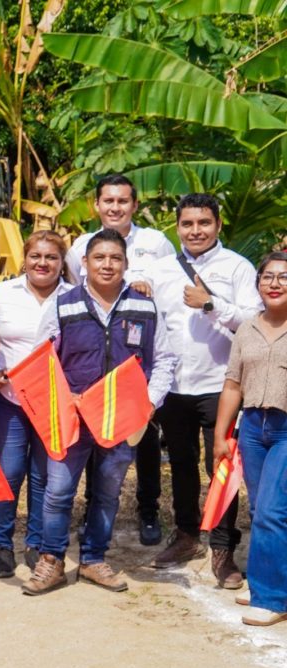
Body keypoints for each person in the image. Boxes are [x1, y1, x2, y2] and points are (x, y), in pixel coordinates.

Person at [22, 229, 177, 596]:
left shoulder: (144, 306)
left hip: (121, 419)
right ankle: (52, 560)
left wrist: (147, 404)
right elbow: (42, 361)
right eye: (100, 258)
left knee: (107, 493)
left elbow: (165, 360)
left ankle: (92, 559)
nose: (107, 264)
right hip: (72, 417)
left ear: (125, 264)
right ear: (85, 263)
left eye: (115, 258)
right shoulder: (63, 305)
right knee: (58, 492)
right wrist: (61, 402)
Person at [143, 194, 260, 587]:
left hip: (221, 385)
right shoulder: (160, 270)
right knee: (180, 464)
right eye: (188, 224)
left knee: (222, 469)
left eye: (204, 223)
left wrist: (211, 303)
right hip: (174, 386)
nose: (196, 231)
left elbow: (252, 321)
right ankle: (188, 534)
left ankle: (223, 548)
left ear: (218, 225)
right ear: (177, 227)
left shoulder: (238, 268)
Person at [64, 175, 176, 546]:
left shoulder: (156, 243)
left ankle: (147, 511)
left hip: (137, 360)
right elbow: (74, 293)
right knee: (95, 445)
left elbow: (170, 289)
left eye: (123, 201)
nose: (115, 207)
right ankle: (90, 509)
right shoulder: (81, 244)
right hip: (93, 365)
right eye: (108, 201)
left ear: (135, 205)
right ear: (96, 205)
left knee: (143, 442)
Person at [0, 231, 72, 578]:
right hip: (9, 400)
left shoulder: (73, 297)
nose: (43, 263)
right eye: (36, 256)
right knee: (8, 472)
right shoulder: (3, 294)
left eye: (51, 257)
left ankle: (34, 543)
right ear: (25, 259)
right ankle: (3, 544)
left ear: (62, 263)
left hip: (52, 401)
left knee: (42, 475)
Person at [214, 252, 287, 627]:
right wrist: (220, 434)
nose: (274, 283)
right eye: (267, 277)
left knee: (274, 512)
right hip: (254, 428)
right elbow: (233, 384)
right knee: (260, 510)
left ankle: (272, 597)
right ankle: (267, 581)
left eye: (283, 277)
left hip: (286, 429)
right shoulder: (247, 328)